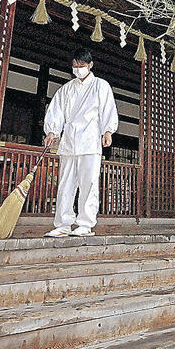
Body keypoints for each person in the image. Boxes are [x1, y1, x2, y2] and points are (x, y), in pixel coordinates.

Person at [43, 47, 118, 237]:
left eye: (81, 66)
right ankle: (63, 224)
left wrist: (108, 131)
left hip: (90, 141)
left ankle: (85, 224)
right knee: (65, 184)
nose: (77, 69)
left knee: (89, 184)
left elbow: (107, 109)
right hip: (68, 141)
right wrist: (52, 130)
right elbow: (56, 112)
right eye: (74, 66)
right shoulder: (66, 89)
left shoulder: (101, 85)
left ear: (90, 65)